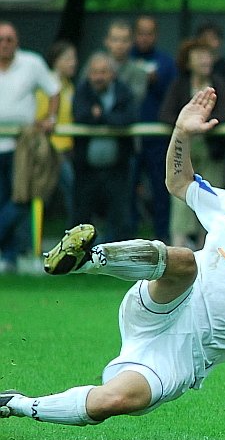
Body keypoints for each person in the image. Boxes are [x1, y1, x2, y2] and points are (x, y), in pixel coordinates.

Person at [1, 87, 225, 440]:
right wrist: (182, 131)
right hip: (163, 301)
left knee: (115, 400)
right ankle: (87, 260)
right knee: (186, 262)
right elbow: (179, 182)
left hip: (182, 357)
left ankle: (14, 403)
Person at [160, 38, 225, 249]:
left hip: (212, 150)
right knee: (180, 198)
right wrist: (186, 124)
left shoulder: (218, 82)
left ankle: (207, 250)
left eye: (208, 55)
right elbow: (165, 114)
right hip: (185, 148)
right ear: (188, 61)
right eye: (199, 56)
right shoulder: (179, 84)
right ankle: (178, 249)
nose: (205, 60)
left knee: (211, 198)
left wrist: (207, 123)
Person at [0, 21, 60, 272]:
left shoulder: (32, 63)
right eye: (0, 39)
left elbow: (54, 90)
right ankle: (8, 256)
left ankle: (10, 255)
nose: (4, 44)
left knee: (21, 198)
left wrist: (51, 119)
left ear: (17, 41)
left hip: (22, 144)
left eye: (9, 39)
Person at [72, 52, 138, 243]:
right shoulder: (82, 90)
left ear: (112, 74)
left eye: (103, 72)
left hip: (118, 167)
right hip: (86, 168)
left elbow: (129, 119)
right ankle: (78, 260)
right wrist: (108, 118)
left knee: (120, 217)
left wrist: (100, 116)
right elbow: (80, 115)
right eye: (94, 72)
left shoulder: (123, 91)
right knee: (81, 216)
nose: (99, 77)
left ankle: (118, 261)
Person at [130, 15, 178, 243]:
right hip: (130, 137)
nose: (144, 37)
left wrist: (155, 81)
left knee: (161, 189)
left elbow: (173, 97)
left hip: (158, 138)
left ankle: (162, 236)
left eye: (149, 33)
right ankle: (128, 236)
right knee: (129, 188)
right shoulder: (126, 59)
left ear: (156, 35)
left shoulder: (166, 63)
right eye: (140, 32)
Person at [36, 39, 78, 226]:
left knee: (70, 191)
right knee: (47, 193)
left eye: (74, 58)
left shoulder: (69, 85)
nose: (73, 62)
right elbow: (40, 115)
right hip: (53, 148)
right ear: (56, 61)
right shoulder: (47, 86)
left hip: (68, 147)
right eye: (68, 58)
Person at [101, 19, 148, 110]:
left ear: (131, 42)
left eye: (124, 40)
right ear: (107, 41)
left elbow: (136, 100)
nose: (120, 45)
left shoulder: (138, 70)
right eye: (115, 40)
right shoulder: (94, 65)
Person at [194, 21, 225, 102]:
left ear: (220, 41)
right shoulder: (188, 71)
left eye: (212, 38)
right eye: (205, 39)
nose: (208, 43)